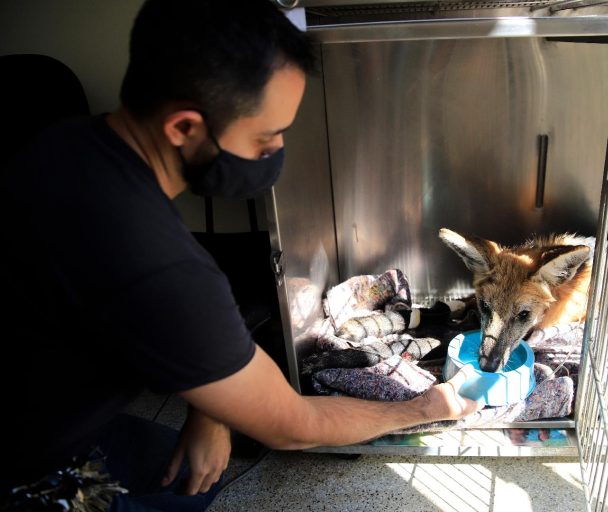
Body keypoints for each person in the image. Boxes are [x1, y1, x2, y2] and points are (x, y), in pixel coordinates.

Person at [0, 1, 480, 510]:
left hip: (37, 407)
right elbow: (292, 427)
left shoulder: (62, 141)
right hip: (26, 472)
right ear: (184, 128)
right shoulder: (156, 263)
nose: (275, 151)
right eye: (264, 137)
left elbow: (148, 316)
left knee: (192, 472)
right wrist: (426, 407)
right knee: (189, 491)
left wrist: (212, 409)